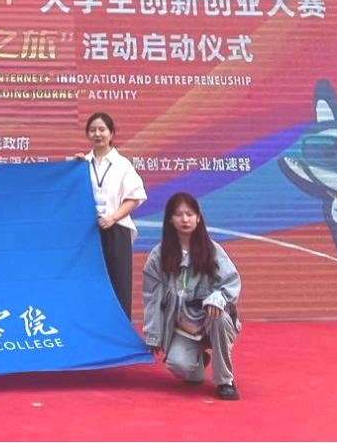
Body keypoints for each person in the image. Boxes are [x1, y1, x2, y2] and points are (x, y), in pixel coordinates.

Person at [142, 192, 242, 401]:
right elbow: (151, 297)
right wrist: (153, 334)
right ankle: (198, 361)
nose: (185, 219)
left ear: (198, 218)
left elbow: (231, 282)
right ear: (170, 219)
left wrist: (216, 299)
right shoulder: (158, 256)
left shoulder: (212, 250)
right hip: (183, 327)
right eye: (179, 214)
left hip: (212, 320)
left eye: (190, 214)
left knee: (218, 317)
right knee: (179, 366)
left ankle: (225, 381)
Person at [75, 112, 145, 319]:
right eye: (92, 130)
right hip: (88, 233)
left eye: (102, 129)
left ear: (111, 134)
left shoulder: (122, 164)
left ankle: (120, 330)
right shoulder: (82, 163)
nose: (97, 134)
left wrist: (113, 217)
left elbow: (134, 197)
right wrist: (73, 167)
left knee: (118, 284)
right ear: (87, 134)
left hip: (116, 230)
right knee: (89, 282)